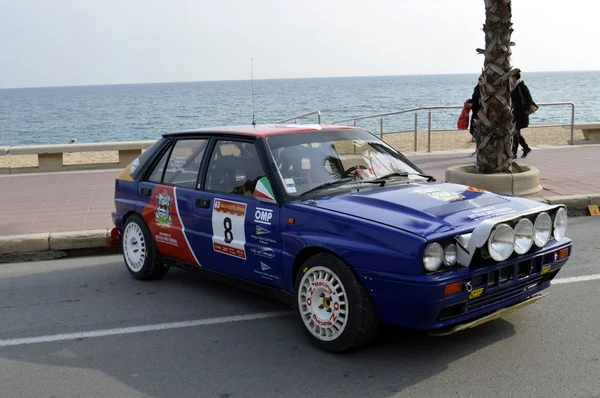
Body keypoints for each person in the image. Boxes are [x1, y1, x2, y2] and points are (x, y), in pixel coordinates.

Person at [510, 71, 532, 158]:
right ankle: (526, 148)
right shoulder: (514, 87)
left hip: (520, 115)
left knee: (515, 133)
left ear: (514, 77)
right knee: (516, 133)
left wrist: (520, 111)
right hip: (515, 114)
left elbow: (529, 101)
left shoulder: (522, 87)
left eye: (511, 77)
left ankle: (514, 153)